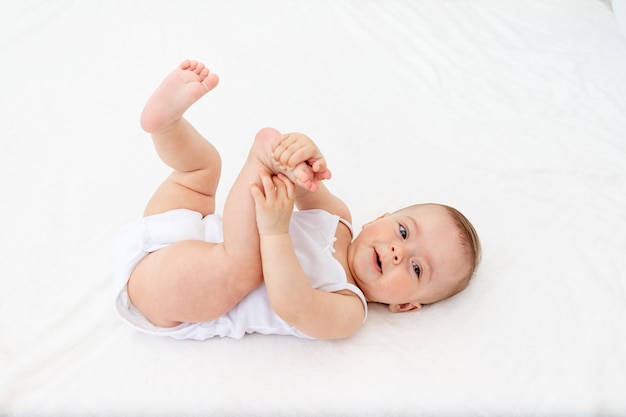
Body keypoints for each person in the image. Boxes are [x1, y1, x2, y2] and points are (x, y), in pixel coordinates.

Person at [112, 59, 481, 340]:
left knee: (245, 266)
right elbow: (303, 176)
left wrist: (275, 233)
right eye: (402, 231)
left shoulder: (348, 308)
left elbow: (292, 305)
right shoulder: (337, 217)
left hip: (174, 294)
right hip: (185, 228)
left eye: (417, 269)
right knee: (200, 173)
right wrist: (303, 153)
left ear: (406, 306)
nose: (400, 252)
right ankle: (166, 126)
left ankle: (258, 152)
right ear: (378, 219)